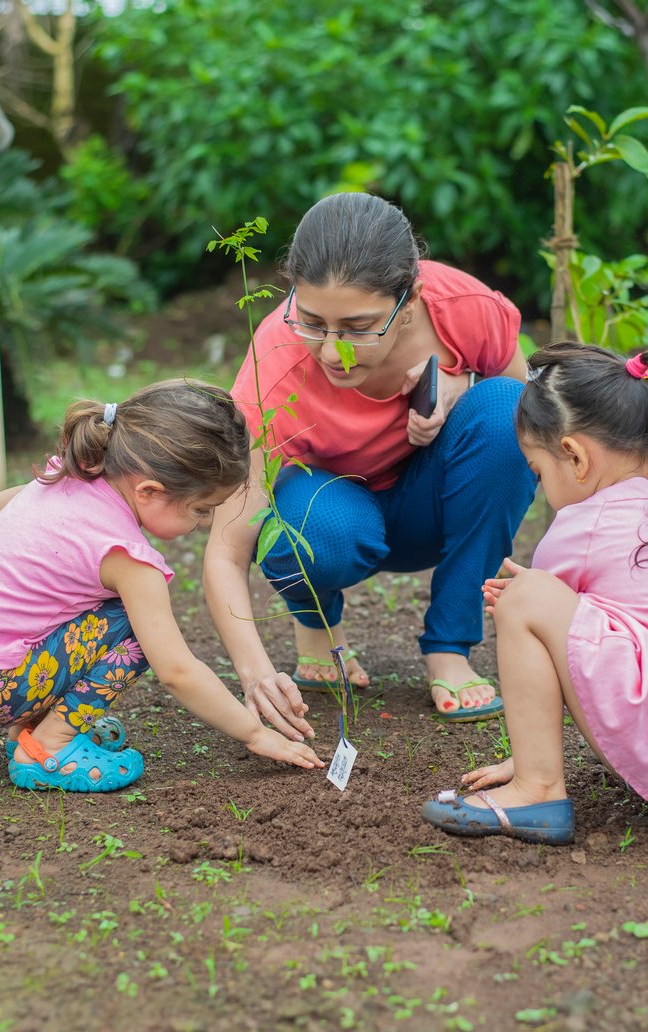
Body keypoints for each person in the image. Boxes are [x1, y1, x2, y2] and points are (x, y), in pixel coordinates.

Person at [205, 192, 537, 737]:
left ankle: (450, 647)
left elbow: (535, 417)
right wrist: (256, 673)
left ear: (409, 304)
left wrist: (464, 386)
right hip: (335, 514)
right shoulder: (277, 362)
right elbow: (227, 548)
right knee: (313, 521)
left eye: (360, 328)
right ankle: (316, 626)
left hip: (433, 507)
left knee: (507, 411)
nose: (334, 353)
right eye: (312, 322)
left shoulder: (462, 309)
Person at [420, 343, 648, 844]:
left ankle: (536, 787)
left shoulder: (585, 526)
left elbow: (541, 620)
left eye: (538, 473)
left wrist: (525, 598)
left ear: (575, 457)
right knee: (533, 596)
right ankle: (532, 765)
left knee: (521, 600)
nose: (541, 488)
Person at [0, 381, 324, 793]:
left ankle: (31, 724)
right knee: (136, 627)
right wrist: (254, 734)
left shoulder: (70, 473)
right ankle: (48, 747)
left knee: (102, 610)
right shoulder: (129, 559)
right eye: (200, 509)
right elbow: (177, 670)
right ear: (149, 491)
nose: (203, 524)